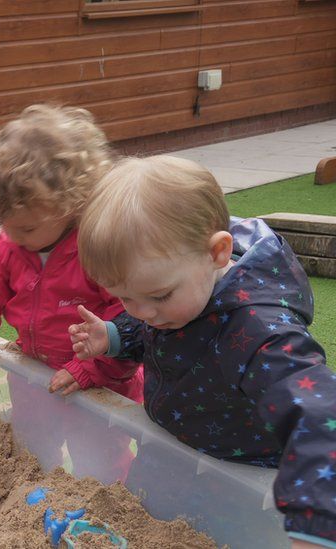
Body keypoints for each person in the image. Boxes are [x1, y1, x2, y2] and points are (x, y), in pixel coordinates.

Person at [70, 155, 336, 548]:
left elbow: (320, 415)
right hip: (172, 447)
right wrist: (113, 336)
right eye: (125, 297)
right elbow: (160, 335)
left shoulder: (261, 335)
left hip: (239, 473)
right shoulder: (178, 290)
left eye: (159, 296)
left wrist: (316, 522)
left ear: (217, 253)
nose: (142, 312)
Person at [0, 105, 143, 402]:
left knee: (96, 435)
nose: (13, 237)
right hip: (36, 373)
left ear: (70, 205)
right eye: (3, 224)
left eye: (27, 228)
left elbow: (130, 321)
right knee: (32, 430)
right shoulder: (8, 248)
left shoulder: (97, 249)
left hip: (101, 385)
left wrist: (89, 368)